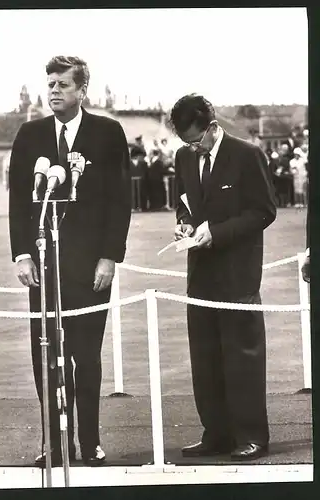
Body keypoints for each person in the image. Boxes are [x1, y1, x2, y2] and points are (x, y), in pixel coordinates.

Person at [8, 55, 131, 467]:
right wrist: (23, 253)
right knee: (45, 356)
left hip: (90, 268)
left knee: (86, 357)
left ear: (82, 91)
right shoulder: (30, 135)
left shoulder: (108, 133)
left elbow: (120, 201)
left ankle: (91, 441)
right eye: (51, 84)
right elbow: (17, 201)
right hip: (43, 266)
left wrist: (110, 256)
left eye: (63, 84)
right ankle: (55, 443)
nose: (54, 90)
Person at [169, 94, 276, 461]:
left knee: (241, 356)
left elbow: (264, 211)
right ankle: (215, 433)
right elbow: (184, 200)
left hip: (237, 273)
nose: (193, 149)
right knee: (205, 357)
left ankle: (251, 436)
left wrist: (218, 232)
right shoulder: (184, 156)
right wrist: (184, 224)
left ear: (213, 128)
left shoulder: (247, 155)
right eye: (186, 143)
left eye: (197, 141)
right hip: (199, 273)